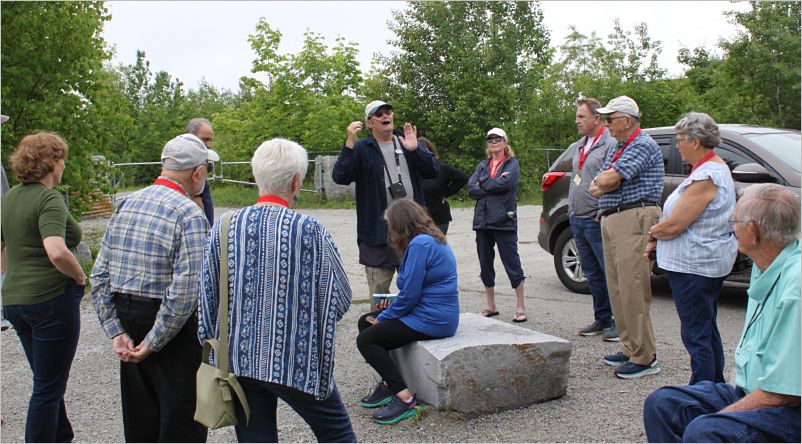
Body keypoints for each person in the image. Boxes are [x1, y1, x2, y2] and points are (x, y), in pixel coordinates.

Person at [198, 138, 355, 442]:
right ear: (297, 181)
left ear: (256, 176)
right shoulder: (311, 229)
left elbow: (206, 298)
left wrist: (212, 351)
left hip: (238, 358)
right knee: (336, 432)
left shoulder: (224, 226)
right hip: (298, 359)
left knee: (256, 437)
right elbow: (341, 298)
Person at [643, 183, 800, 443]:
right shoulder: (768, 262)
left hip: (789, 409)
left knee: (704, 431)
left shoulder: (796, 286)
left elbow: (783, 394)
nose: (731, 227)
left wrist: (720, 417)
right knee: (662, 404)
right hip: (754, 391)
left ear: (753, 231)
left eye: (734, 220)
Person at [90, 133, 213, 442]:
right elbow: (185, 291)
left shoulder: (127, 204)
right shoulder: (190, 214)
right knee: (181, 421)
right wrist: (153, 341)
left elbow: (100, 275)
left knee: (140, 420)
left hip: (128, 316)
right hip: (171, 327)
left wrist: (116, 330)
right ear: (197, 172)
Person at [1, 132, 86, 442]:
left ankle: (62, 437)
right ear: (52, 163)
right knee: (47, 389)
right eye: (62, 159)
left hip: (15, 300)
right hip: (50, 300)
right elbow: (57, 250)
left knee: (46, 379)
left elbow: (3, 249)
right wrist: (79, 276)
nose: (64, 165)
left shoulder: (10, 197)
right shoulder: (47, 198)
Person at [644, 112, 737, 385]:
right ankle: (713, 385)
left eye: (681, 139)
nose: (677, 145)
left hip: (696, 265)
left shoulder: (708, 174)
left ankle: (703, 390)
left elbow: (676, 224)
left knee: (696, 332)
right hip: (698, 262)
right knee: (705, 328)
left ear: (695, 141)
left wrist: (652, 232)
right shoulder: (707, 170)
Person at [356, 198, 459, 425]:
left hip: (432, 319)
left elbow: (410, 295)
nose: (389, 231)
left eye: (390, 225)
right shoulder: (431, 239)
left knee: (366, 340)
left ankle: (404, 398)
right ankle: (387, 384)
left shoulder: (420, 244)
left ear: (400, 224)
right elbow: (417, 290)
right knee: (366, 322)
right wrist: (388, 309)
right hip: (432, 313)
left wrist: (384, 317)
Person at [332, 100, 439, 311]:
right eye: (378, 114)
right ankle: (381, 332)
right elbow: (340, 176)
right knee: (380, 294)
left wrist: (417, 149)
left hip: (413, 231)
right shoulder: (362, 148)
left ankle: (416, 331)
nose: (385, 116)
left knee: (418, 287)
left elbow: (433, 171)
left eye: (388, 111)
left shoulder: (407, 143)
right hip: (379, 235)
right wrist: (349, 143)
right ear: (369, 122)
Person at [589, 96, 664, 379]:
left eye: (610, 119)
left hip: (634, 217)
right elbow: (596, 184)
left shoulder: (642, 144)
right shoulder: (620, 147)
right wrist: (603, 183)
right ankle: (631, 346)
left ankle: (645, 357)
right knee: (618, 287)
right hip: (613, 217)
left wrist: (604, 182)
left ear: (627, 120)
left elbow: (605, 181)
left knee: (633, 287)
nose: (606, 124)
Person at [567, 98, 619, 341]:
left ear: (597, 118)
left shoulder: (610, 144)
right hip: (577, 218)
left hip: (597, 218)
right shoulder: (580, 144)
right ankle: (602, 318)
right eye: (577, 116)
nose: (577, 121)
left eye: (581, 117)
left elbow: (612, 178)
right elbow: (577, 177)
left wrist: (600, 211)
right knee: (592, 272)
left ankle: (619, 322)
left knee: (609, 271)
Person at [469, 128, 527, 323]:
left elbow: (506, 184)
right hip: (483, 222)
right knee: (485, 264)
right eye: (490, 139)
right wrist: (492, 183)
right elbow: (471, 188)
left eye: (497, 138)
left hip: (504, 221)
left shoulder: (512, 164)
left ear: (505, 142)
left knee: (512, 263)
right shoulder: (482, 165)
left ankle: (520, 307)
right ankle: (491, 306)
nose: (493, 141)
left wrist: (484, 184)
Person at [419, 137, 468, 235]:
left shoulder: (442, 169)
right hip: (417, 219)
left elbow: (462, 178)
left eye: (424, 149)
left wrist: (445, 193)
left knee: (436, 247)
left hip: (438, 218)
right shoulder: (412, 172)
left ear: (430, 150)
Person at [186, 117, 220, 226]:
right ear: (190, 136)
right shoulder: (185, 164)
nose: (209, 145)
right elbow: (195, 198)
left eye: (210, 140)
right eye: (205, 139)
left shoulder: (201, 159)